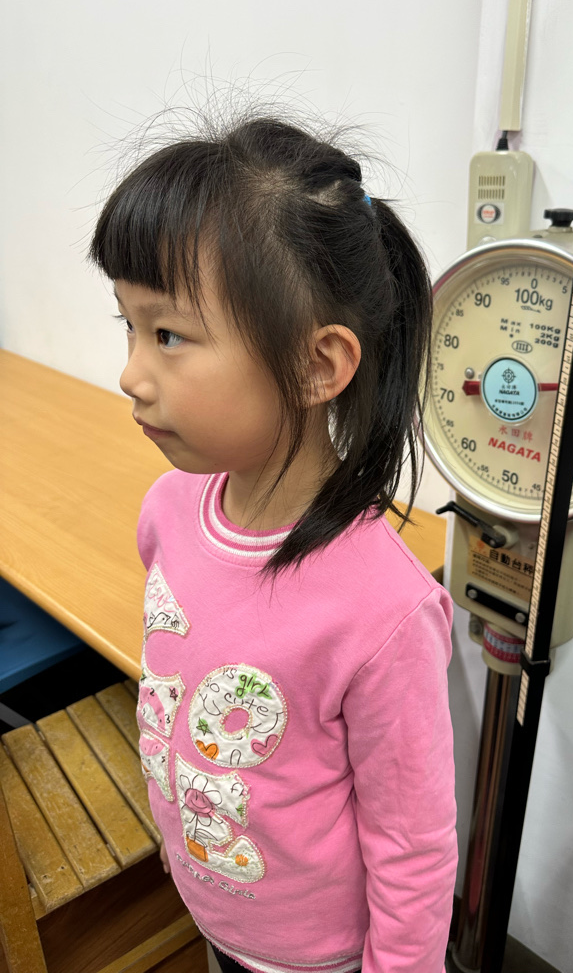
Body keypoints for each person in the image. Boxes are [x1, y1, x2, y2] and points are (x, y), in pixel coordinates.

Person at [90, 115, 458, 973]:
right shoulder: (166, 511)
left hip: (320, 957)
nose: (131, 373)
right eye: (129, 327)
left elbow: (414, 847)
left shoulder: (385, 611)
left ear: (315, 365)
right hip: (216, 914)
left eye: (169, 335)